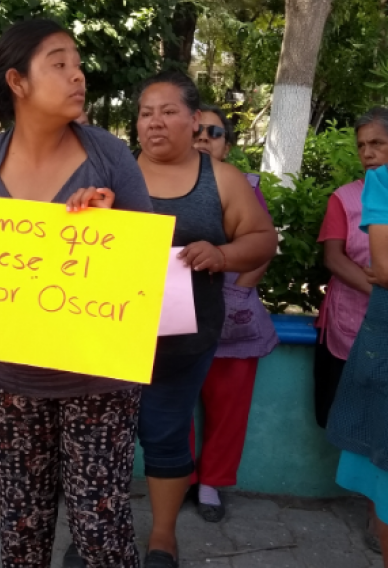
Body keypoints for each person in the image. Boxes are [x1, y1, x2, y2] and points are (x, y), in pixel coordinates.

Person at [0, 19, 153, 568]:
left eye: (77, 62)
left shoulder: (109, 157)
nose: (77, 74)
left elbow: (150, 272)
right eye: (58, 63)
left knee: (102, 530)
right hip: (12, 383)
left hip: (100, 384)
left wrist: (110, 234)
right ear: (18, 81)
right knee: (22, 527)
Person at [135, 73, 277, 568]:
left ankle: (162, 535)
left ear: (193, 119)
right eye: (146, 113)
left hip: (183, 341)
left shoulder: (221, 179)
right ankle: (95, 528)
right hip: (108, 340)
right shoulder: (115, 172)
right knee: (99, 439)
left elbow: (262, 239)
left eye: (168, 111)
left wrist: (220, 252)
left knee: (166, 434)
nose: (155, 122)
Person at [188, 104, 278, 522]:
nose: (204, 137)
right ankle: (180, 477)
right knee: (174, 402)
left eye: (215, 132)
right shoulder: (156, 182)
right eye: (197, 130)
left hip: (233, 315)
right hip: (176, 313)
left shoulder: (244, 186)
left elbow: (263, 245)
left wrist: (238, 296)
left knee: (228, 406)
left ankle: (211, 485)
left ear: (227, 145)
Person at [316, 107, 388, 551]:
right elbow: (335, 257)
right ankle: (375, 507)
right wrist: (374, 286)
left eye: (377, 143)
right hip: (353, 316)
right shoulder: (347, 197)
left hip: (377, 315)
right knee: (365, 415)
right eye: (361, 145)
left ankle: (374, 512)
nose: (368, 152)